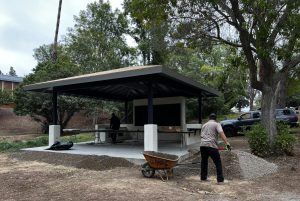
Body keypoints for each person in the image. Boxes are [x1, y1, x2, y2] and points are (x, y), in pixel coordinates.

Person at [200, 113, 231, 184]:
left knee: (204, 162)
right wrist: (227, 143)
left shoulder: (204, 125)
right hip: (211, 145)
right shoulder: (217, 124)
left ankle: (203, 178)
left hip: (202, 145)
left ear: (209, 118)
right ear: (215, 119)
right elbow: (221, 133)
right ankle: (220, 180)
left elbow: (201, 136)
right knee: (218, 162)